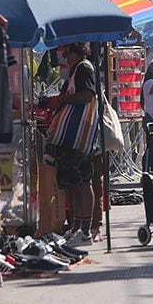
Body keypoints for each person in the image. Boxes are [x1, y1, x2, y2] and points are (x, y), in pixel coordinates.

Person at [47, 42, 98, 246]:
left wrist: (62, 100)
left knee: (82, 182)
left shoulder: (84, 68)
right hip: (71, 136)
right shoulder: (75, 70)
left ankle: (85, 230)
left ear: (72, 50)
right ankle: (77, 227)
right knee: (74, 183)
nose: (62, 53)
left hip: (79, 134)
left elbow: (87, 95)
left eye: (65, 49)